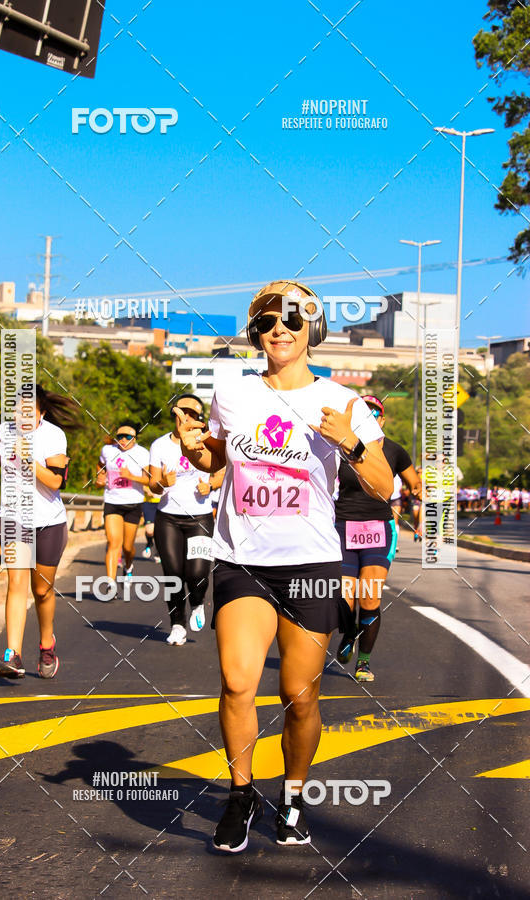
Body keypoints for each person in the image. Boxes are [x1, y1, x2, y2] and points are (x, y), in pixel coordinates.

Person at [174, 280, 392, 853]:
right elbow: (218, 457)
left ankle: (293, 795)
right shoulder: (233, 393)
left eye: (293, 320)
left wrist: (352, 443)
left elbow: (384, 486)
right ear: (256, 332)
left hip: (312, 562)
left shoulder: (342, 402)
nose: (280, 330)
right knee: (238, 681)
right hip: (242, 559)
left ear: (311, 330)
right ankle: (241, 794)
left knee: (299, 694)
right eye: (269, 321)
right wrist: (197, 449)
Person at [0, 384, 79, 679]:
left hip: (48, 521)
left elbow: (54, 482)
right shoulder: (5, 431)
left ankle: (47, 643)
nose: (23, 417)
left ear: (42, 413)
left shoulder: (53, 436)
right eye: (18, 410)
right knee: (16, 585)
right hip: (14, 519)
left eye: (30, 412)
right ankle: (13, 655)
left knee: (41, 590)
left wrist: (28, 462)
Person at [335, 395, 422, 683]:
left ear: (381, 421)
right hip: (343, 528)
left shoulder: (395, 451)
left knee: (369, 598)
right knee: (344, 600)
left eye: (374, 416)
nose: (369, 420)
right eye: (363, 415)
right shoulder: (340, 448)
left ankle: (364, 662)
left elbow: (414, 484)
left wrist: (423, 490)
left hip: (378, 531)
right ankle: (349, 632)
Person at [149, 394, 224, 645]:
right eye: (184, 412)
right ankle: (177, 624)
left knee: (197, 572)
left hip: (199, 517)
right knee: (172, 574)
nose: (188, 417)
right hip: (168, 518)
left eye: (194, 414)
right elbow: (153, 485)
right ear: (176, 414)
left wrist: (211, 485)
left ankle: (198, 602)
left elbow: (225, 468)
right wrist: (162, 483)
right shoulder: (160, 445)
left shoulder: (207, 442)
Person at [96, 423, 150, 587]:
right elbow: (100, 466)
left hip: (133, 503)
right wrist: (99, 477)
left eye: (128, 437)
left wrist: (131, 476)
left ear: (135, 438)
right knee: (114, 543)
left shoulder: (142, 454)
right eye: (120, 437)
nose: (124, 440)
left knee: (128, 547)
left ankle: (128, 566)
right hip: (112, 501)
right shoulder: (108, 450)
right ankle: (110, 583)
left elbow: (148, 479)